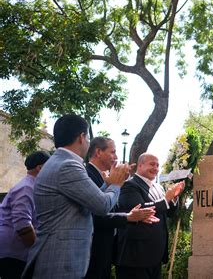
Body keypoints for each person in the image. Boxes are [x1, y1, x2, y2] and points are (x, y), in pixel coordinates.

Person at [22, 114, 131, 279]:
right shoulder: (68, 165)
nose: (88, 142)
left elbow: (89, 199)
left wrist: (107, 184)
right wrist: (116, 184)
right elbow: (102, 206)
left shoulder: (60, 162)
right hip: (60, 260)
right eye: (87, 138)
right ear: (81, 137)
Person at [85, 137, 158, 279]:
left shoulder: (105, 177)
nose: (116, 157)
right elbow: (95, 214)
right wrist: (128, 217)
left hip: (105, 250)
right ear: (98, 152)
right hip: (93, 250)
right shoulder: (88, 175)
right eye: (112, 152)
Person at [115, 153, 184, 279]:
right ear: (140, 165)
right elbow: (139, 209)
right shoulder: (129, 185)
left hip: (154, 257)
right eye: (152, 164)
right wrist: (165, 200)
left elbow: (169, 213)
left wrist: (173, 198)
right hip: (135, 257)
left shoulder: (158, 188)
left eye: (158, 165)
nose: (156, 168)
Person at [0, 151, 50, 279]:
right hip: (13, 254)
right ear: (40, 168)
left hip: (15, 253)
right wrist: (36, 251)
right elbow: (22, 223)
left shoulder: (31, 187)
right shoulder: (26, 188)